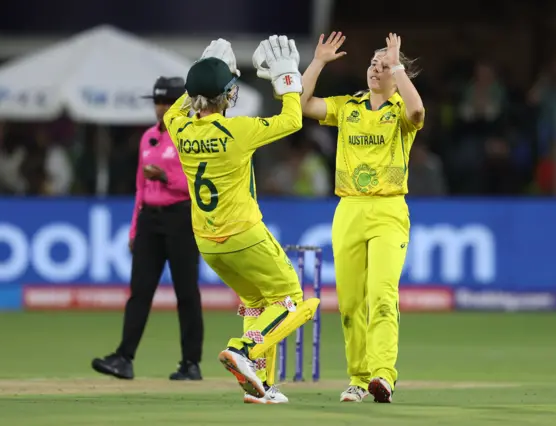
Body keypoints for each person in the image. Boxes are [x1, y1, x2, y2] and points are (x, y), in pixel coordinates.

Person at [164, 37, 319, 404]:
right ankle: (244, 350)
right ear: (227, 95)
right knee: (292, 301)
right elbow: (292, 119)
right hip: (245, 234)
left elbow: (181, 104)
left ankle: (260, 385)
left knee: (255, 300)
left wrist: (204, 69)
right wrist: (285, 78)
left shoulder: (177, 127)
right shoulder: (238, 131)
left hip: (207, 242)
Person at [300, 32, 425, 403]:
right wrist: (319, 61)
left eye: (384, 65)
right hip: (349, 209)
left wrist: (398, 63)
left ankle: (383, 375)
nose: (376, 69)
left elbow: (417, 112)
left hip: (388, 210)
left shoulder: (401, 111)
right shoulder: (348, 107)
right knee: (351, 301)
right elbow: (303, 104)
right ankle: (358, 377)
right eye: (373, 63)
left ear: (396, 73)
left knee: (382, 295)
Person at [92, 76, 205, 381]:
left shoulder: (192, 136)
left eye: (167, 102)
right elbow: (141, 188)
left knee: (186, 293)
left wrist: (167, 178)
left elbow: (197, 184)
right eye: (158, 102)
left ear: (181, 103)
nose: (161, 108)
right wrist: (133, 229)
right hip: (149, 220)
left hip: (181, 218)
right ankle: (124, 358)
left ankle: (191, 364)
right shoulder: (148, 138)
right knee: (139, 291)